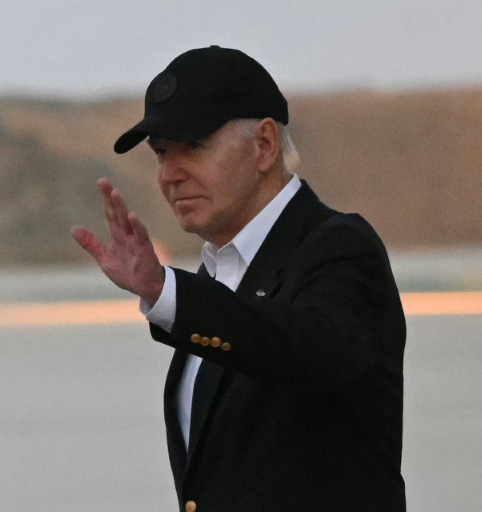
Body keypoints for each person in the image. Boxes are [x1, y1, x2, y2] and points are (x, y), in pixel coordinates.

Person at [71, 46, 406, 512]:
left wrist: (166, 292)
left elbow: (310, 350)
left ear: (264, 145)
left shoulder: (340, 247)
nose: (170, 174)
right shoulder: (217, 272)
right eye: (162, 153)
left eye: (193, 146)